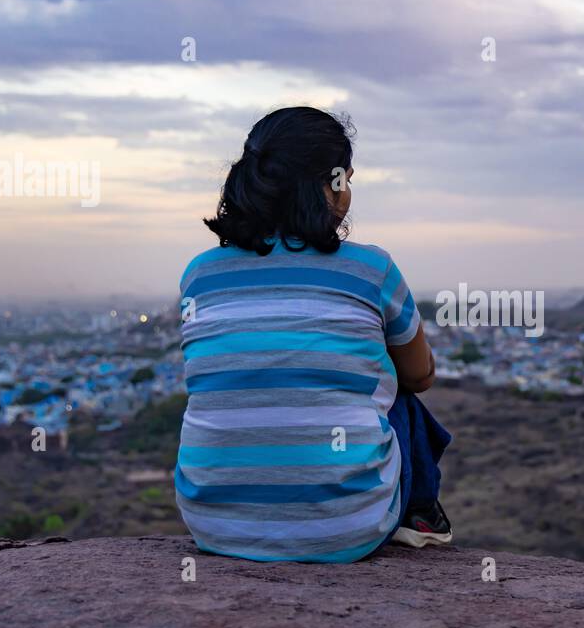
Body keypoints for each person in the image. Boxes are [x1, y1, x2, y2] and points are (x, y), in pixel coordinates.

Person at [174, 106, 453, 562]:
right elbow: (420, 375)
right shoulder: (371, 268)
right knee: (400, 398)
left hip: (214, 526)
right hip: (349, 528)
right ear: (328, 184)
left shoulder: (199, 275)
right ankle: (419, 512)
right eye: (345, 178)